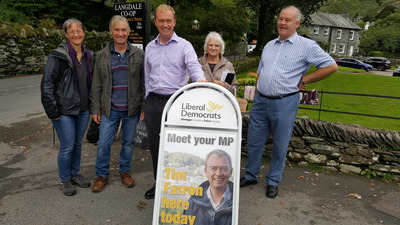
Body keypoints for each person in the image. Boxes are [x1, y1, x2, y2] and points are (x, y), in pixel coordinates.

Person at [239, 6, 338, 198]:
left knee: (280, 144)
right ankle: (251, 175)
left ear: (297, 23)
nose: (282, 23)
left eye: (288, 20)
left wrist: (305, 80)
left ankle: (273, 180)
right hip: (261, 102)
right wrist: (258, 91)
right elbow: (261, 72)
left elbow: (331, 66)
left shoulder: (306, 46)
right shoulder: (269, 45)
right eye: (281, 19)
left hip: (284, 102)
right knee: (254, 141)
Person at [143, 4, 206, 199]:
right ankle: (159, 182)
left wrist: (201, 81)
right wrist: (146, 102)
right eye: (161, 20)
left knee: (177, 146)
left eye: (168, 20)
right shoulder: (149, 47)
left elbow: (194, 67)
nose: (165, 24)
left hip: (176, 103)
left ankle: (179, 184)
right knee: (155, 146)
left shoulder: (184, 46)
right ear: (155, 22)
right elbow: (146, 76)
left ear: (174, 22)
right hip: (153, 102)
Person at [90, 15, 145, 192]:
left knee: (128, 143)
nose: (120, 34)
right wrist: (95, 109)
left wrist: (144, 107)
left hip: (132, 109)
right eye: (117, 30)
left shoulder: (139, 54)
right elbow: (96, 84)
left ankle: (125, 171)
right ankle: (102, 175)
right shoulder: (102, 56)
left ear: (129, 32)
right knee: (103, 143)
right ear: (111, 31)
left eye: (123, 30)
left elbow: (145, 83)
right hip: (109, 109)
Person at [41, 19, 94, 196]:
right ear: (65, 34)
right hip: (63, 110)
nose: (76, 34)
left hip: (84, 108)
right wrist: (52, 110)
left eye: (79, 31)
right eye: (72, 32)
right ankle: (65, 179)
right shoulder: (58, 56)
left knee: (78, 144)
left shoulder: (89, 55)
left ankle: (75, 173)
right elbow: (47, 83)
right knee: (67, 146)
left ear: (84, 33)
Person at [184, 149, 233, 225]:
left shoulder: (239, 203)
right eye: (213, 168)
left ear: (231, 172)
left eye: (224, 168)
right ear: (206, 171)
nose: (218, 173)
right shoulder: (192, 203)